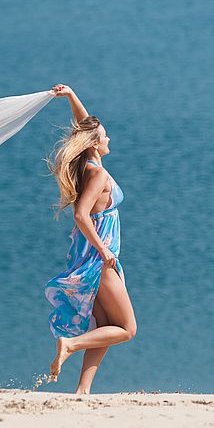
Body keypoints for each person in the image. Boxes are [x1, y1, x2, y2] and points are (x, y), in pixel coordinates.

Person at [42, 84, 137, 394]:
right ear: (96, 143)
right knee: (126, 328)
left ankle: (82, 391)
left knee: (104, 323)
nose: (109, 139)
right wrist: (104, 251)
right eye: (105, 135)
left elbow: (86, 126)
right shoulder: (97, 175)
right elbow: (81, 216)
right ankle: (70, 345)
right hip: (99, 259)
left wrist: (71, 97)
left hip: (89, 257)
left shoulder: (89, 165)